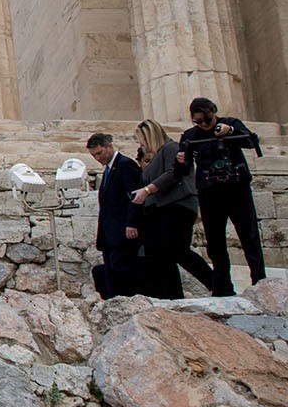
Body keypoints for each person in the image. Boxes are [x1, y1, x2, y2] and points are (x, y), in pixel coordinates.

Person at [180, 98, 265, 294]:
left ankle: (260, 283)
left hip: (237, 190)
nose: (203, 124)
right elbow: (183, 169)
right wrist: (180, 159)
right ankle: (223, 287)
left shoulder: (231, 124)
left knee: (249, 237)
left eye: (207, 119)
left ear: (214, 112)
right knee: (215, 242)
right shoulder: (191, 136)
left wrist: (231, 132)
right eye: (198, 121)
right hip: (210, 193)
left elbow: (252, 142)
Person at [129, 119, 212, 300]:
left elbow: (174, 173)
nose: (141, 144)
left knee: (178, 250)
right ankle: (170, 295)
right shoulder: (156, 156)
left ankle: (214, 282)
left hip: (177, 205)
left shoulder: (172, 148)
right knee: (163, 254)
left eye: (142, 139)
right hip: (161, 208)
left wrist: (148, 190)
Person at [87, 132, 144, 299]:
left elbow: (135, 197)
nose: (97, 158)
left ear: (109, 147)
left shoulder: (126, 165)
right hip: (110, 234)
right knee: (112, 272)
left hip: (123, 232)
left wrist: (132, 223)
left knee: (124, 272)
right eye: (94, 155)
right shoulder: (109, 170)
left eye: (99, 153)